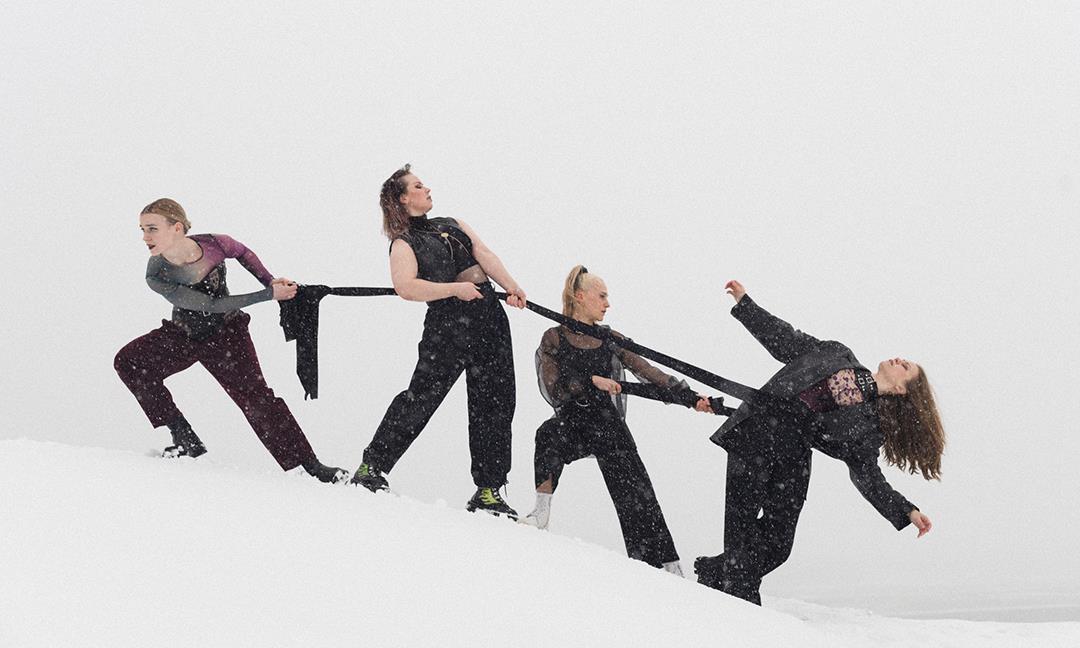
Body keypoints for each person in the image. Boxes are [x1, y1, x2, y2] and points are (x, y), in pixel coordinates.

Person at [694, 280, 945, 604]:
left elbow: (868, 477)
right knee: (740, 531)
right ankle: (742, 603)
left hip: (793, 457)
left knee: (779, 545)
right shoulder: (837, 353)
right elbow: (785, 340)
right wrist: (745, 305)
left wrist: (906, 511)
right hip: (755, 434)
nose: (899, 359)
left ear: (901, 390)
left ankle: (717, 571)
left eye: (905, 366)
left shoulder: (869, 428)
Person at [114, 199, 348, 483]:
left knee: (258, 399)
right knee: (129, 361)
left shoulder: (215, 243)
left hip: (227, 336)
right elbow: (210, 304)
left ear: (176, 228)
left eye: (152, 228)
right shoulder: (156, 273)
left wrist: (269, 281)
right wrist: (268, 295)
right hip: (183, 335)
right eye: (142, 229)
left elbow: (243, 253)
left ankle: (309, 465)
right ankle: (184, 437)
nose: (145, 237)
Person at [350, 165, 526, 518]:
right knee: (422, 396)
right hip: (448, 324)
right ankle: (372, 466)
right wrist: (454, 290)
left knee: (495, 401)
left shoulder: (453, 222)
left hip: (489, 316)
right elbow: (406, 287)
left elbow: (484, 253)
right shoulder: (404, 243)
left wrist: (512, 286)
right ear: (403, 198)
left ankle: (488, 490)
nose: (427, 188)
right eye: (418, 186)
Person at [522, 265, 712, 575]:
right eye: (602, 296)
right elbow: (553, 386)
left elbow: (649, 372)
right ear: (580, 297)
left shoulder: (611, 338)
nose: (607, 303)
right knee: (547, 435)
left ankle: (665, 566)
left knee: (638, 496)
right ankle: (540, 514)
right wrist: (590, 381)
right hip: (573, 422)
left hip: (607, 426)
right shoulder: (554, 337)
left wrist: (691, 399)